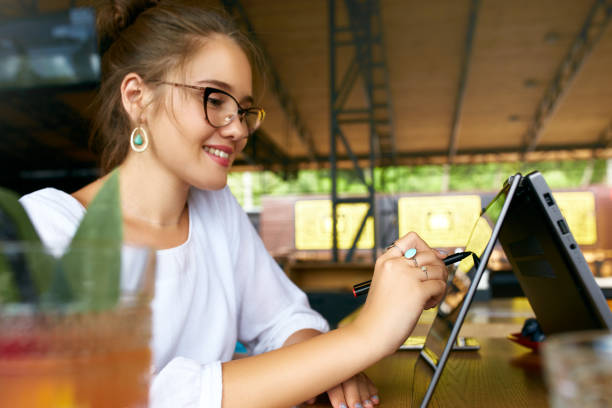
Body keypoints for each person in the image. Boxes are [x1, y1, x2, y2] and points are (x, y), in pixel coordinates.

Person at [18, 1, 448, 407]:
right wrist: (362, 338)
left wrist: (323, 362)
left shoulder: (214, 209)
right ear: (137, 98)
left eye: (243, 109)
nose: (238, 129)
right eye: (215, 99)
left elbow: (282, 321)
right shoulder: (45, 229)